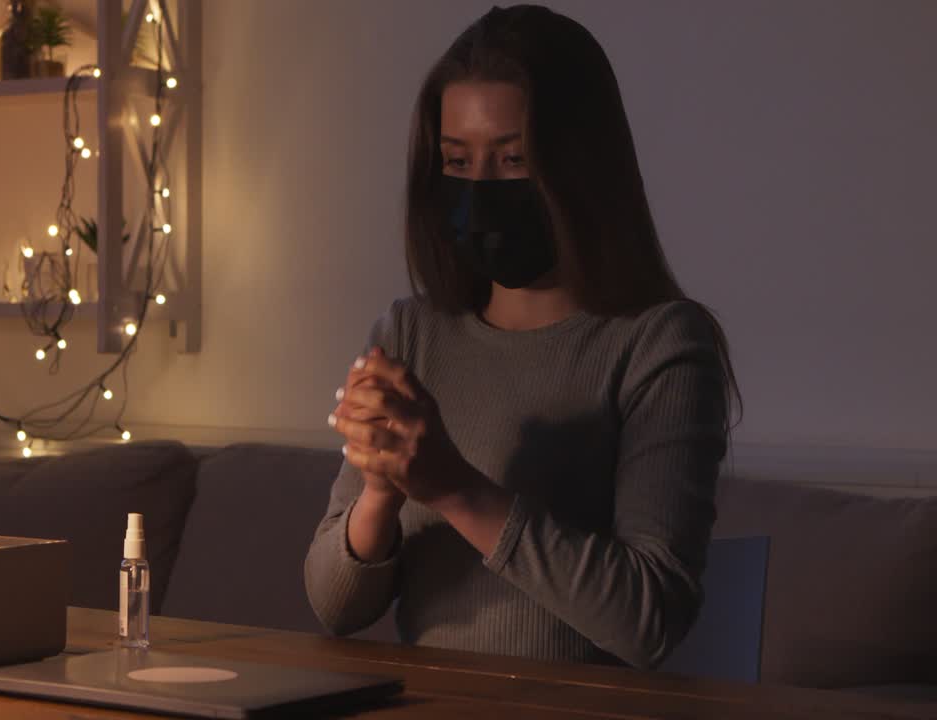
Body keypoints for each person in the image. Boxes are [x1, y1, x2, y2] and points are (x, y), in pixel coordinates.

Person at [304, 4, 740, 670]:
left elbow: (650, 620)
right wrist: (383, 490)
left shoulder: (663, 346)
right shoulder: (413, 332)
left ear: (579, 168)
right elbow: (334, 607)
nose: (480, 189)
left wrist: (453, 487)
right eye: (457, 159)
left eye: (512, 160)